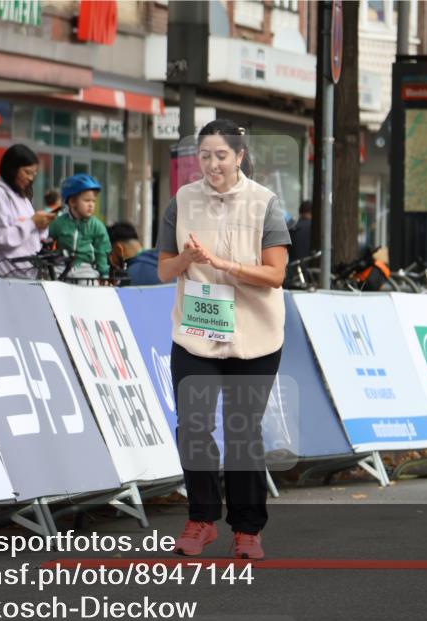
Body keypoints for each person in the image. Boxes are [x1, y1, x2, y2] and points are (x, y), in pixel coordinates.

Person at [157, 119, 291, 560]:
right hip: (197, 332)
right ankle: (200, 519)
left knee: (241, 431)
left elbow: (275, 274)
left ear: (240, 156)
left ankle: (247, 528)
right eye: (205, 155)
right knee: (192, 426)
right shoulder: (181, 201)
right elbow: (163, 270)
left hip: (255, 335)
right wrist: (188, 259)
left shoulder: (265, 204)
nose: (212, 164)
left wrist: (225, 264)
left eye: (222, 155)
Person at [0, 144, 55, 277]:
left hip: (26, 272)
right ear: (12, 170)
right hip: (5, 274)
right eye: (27, 172)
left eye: (34, 173)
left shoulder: (22, 197)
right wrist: (32, 223)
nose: (31, 178)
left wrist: (41, 225)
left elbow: (34, 235)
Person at [48, 174, 111, 280]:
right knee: (50, 279)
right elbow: (46, 240)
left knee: (89, 287)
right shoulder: (59, 223)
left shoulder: (97, 226)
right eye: (87, 200)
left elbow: (102, 251)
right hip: (61, 266)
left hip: (85, 268)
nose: (91, 205)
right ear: (72, 202)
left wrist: (104, 273)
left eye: (93, 201)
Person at [107, 221, 164, 286]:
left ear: (118, 249)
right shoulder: (164, 259)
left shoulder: (128, 279)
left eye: (111, 254)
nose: (111, 261)